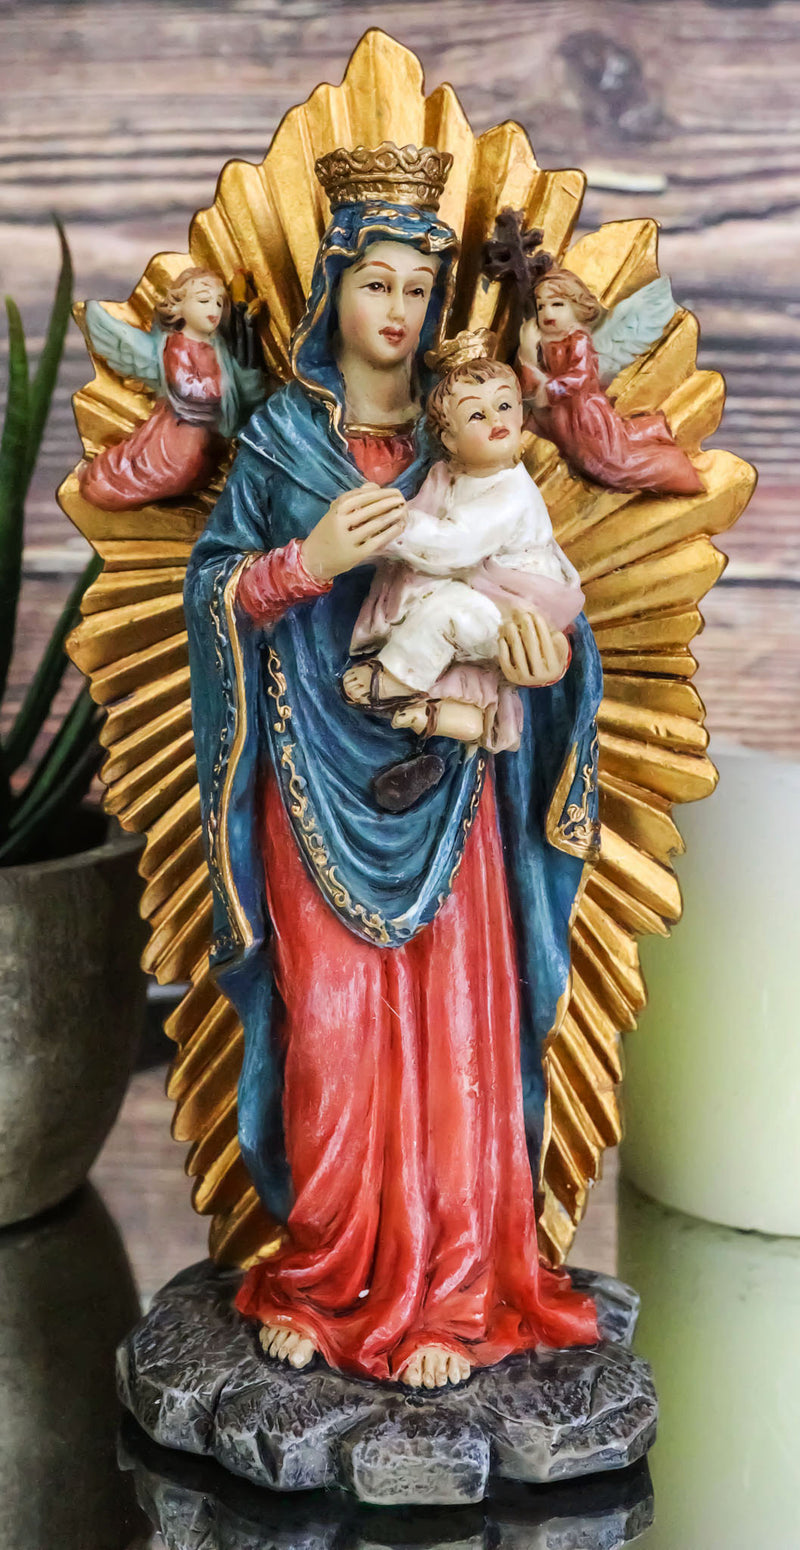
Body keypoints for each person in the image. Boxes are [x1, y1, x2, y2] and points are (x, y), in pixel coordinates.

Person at [184, 147, 602, 1389]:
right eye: (376, 282)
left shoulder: (466, 443)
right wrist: (304, 561)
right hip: (308, 772)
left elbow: (544, 589)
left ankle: (455, 1288)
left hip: (449, 782)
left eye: (420, 288)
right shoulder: (278, 440)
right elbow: (211, 595)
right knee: (331, 1031)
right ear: (333, 288)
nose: (399, 310)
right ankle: (326, 1272)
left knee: (458, 1029)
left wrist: (543, 652)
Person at [343, 334, 584, 754]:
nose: (495, 418)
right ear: (451, 441)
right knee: (438, 605)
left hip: (515, 616)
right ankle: (453, 716)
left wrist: (394, 526)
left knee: (447, 612)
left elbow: (453, 546)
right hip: (490, 598)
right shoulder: (452, 477)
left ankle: (395, 679)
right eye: (476, 414)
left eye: (504, 405)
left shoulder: (509, 491)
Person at [79, 268, 264, 510]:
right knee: (153, 474)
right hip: (177, 442)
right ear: (179, 306)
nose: (214, 309)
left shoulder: (219, 346)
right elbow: (194, 391)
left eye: (220, 302)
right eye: (204, 300)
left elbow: (248, 388)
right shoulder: (175, 347)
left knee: (187, 470)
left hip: (204, 445)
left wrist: (244, 327)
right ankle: (107, 484)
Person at [518, 268, 704, 495]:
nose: (547, 312)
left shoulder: (578, 341)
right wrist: (528, 350)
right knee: (586, 460)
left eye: (557, 304)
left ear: (576, 307)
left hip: (583, 417)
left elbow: (581, 377)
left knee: (611, 467)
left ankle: (677, 470)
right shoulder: (545, 341)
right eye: (541, 306)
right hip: (560, 417)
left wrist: (549, 389)